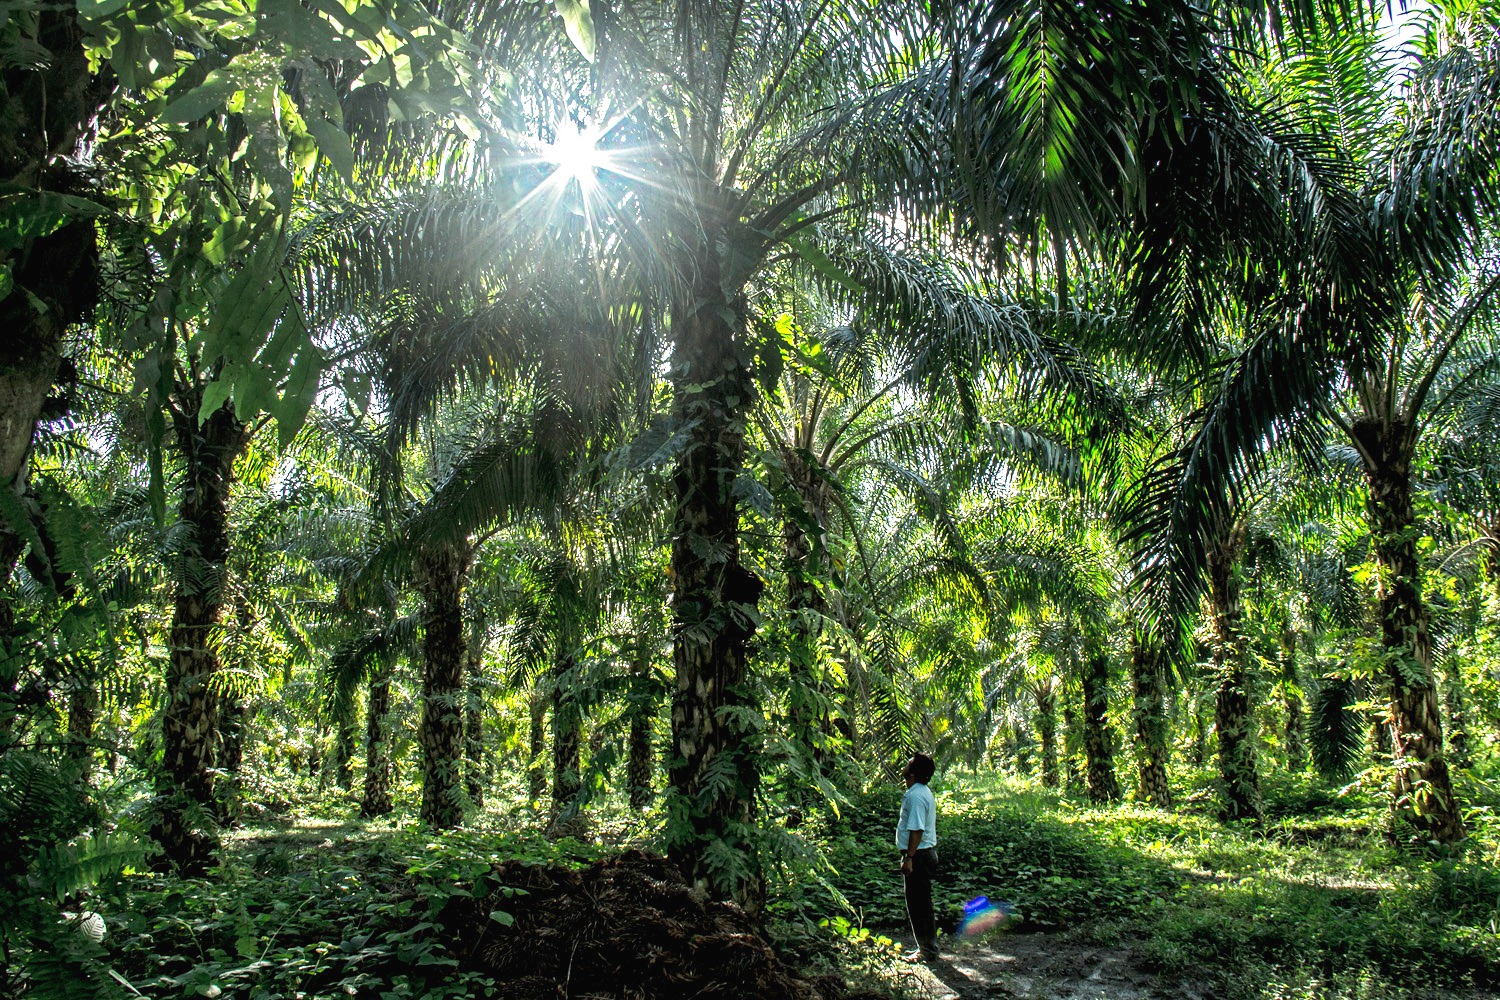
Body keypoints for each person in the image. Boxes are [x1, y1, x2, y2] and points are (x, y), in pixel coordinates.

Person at [896, 752, 939, 962]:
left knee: (919, 904)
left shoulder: (915, 796)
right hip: (921, 854)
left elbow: (916, 830)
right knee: (921, 903)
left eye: (909, 763)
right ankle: (926, 948)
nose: (905, 766)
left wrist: (909, 857)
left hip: (919, 856)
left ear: (913, 772)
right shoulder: (920, 792)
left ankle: (927, 950)